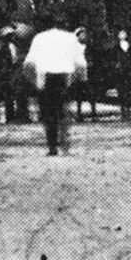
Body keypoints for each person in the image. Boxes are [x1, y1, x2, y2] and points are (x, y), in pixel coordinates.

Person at [23, 11, 86, 155]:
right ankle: (64, 144)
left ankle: (52, 146)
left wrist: (35, 82)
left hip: (46, 77)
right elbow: (81, 64)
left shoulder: (39, 38)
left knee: (48, 113)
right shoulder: (71, 38)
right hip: (65, 77)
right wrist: (79, 80)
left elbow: (28, 64)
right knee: (63, 111)